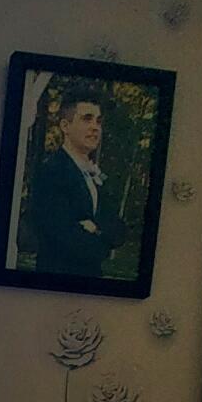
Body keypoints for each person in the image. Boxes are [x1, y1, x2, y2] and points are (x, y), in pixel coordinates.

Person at [23, 83, 128, 280]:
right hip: (56, 281)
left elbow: (119, 230)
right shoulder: (51, 171)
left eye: (98, 121)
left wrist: (95, 228)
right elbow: (63, 238)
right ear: (65, 126)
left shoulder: (96, 175)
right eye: (87, 119)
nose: (95, 127)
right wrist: (103, 243)